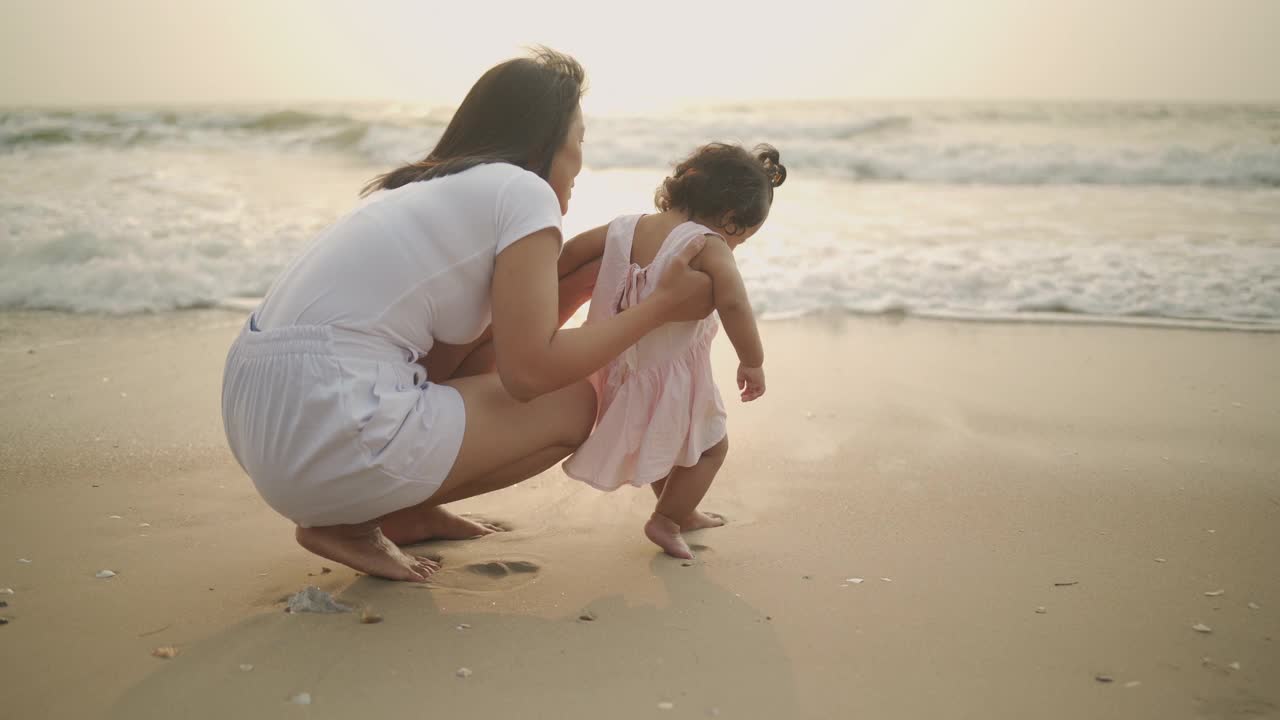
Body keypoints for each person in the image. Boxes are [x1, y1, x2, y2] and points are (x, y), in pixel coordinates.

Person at [220, 48, 712, 582]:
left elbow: (457, 364)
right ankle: (354, 520)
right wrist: (660, 305)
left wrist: (580, 278)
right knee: (571, 405)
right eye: (579, 141)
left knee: (473, 371)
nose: (579, 162)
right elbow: (531, 375)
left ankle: (398, 508)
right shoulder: (524, 191)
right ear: (546, 141)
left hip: (262, 412)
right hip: (334, 422)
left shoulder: (419, 190)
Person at [561, 142, 787, 559]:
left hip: (619, 367)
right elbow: (734, 302)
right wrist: (752, 360)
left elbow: (572, 252)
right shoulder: (708, 243)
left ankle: (678, 510)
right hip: (673, 375)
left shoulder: (627, 226)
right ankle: (667, 520)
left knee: (663, 444)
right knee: (710, 448)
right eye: (745, 238)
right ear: (732, 221)